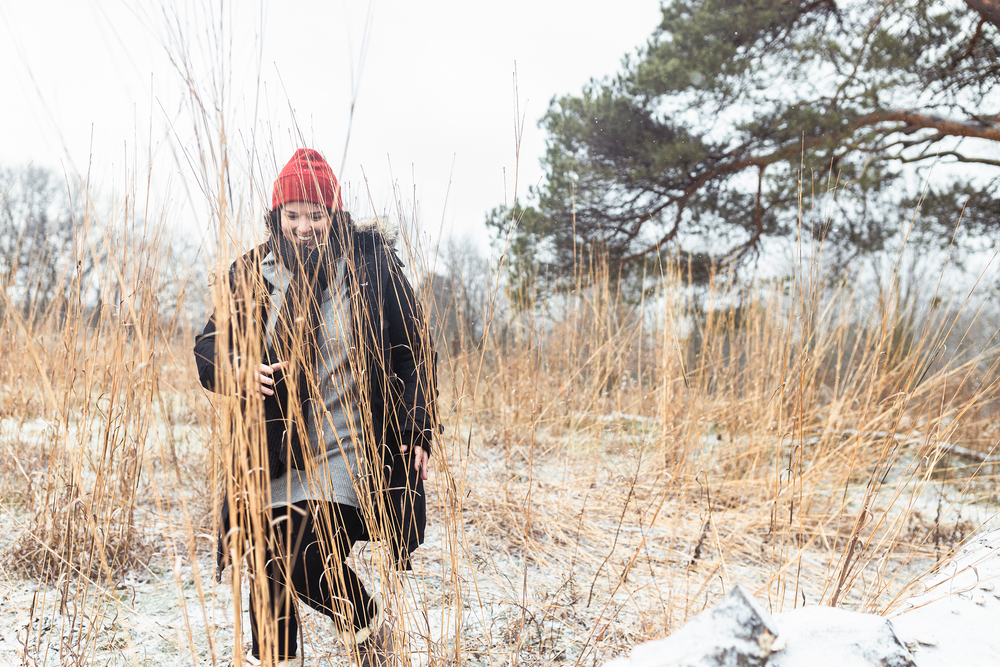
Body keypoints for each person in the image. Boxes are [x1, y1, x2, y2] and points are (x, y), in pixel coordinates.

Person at [193, 148, 438, 666]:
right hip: (273, 455)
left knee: (301, 551)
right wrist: (238, 367)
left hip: (348, 453)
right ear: (277, 215)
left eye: (316, 214)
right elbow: (209, 347)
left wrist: (417, 429)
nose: (305, 226)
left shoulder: (371, 271)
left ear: (335, 214)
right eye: (293, 215)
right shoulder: (252, 273)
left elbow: (415, 351)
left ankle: (366, 626)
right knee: (264, 559)